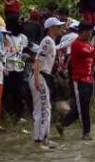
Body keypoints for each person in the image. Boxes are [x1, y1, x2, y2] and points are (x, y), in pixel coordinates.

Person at [57, 22, 95, 140]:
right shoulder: (76, 44)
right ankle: (86, 132)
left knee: (83, 105)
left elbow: (92, 57)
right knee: (82, 107)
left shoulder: (88, 44)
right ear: (82, 32)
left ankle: (63, 123)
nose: (90, 34)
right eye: (88, 31)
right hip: (79, 79)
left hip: (89, 78)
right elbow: (87, 54)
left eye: (90, 31)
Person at [29, 16, 64, 150]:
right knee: (42, 109)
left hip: (45, 77)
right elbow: (38, 61)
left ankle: (45, 139)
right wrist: (37, 79)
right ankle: (38, 142)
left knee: (46, 108)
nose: (60, 28)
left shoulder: (51, 41)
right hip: (40, 76)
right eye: (58, 26)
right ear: (51, 28)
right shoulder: (47, 41)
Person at [5, 18, 29, 122]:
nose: (20, 25)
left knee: (19, 92)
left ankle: (19, 115)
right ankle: (6, 115)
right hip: (7, 68)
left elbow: (25, 49)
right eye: (17, 23)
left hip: (19, 67)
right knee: (7, 91)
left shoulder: (22, 37)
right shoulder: (6, 37)